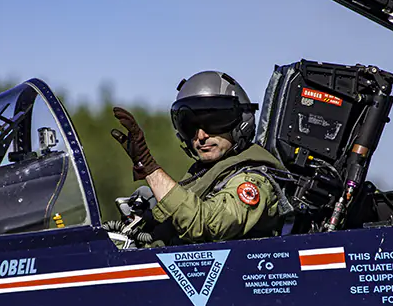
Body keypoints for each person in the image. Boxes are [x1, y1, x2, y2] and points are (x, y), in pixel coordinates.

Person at [111, 71, 285, 245]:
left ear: (241, 122)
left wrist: (149, 168)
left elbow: (207, 225)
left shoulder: (253, 180)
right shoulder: (203, 176)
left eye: (213, 122)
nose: (201, 135)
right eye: (190, 126)